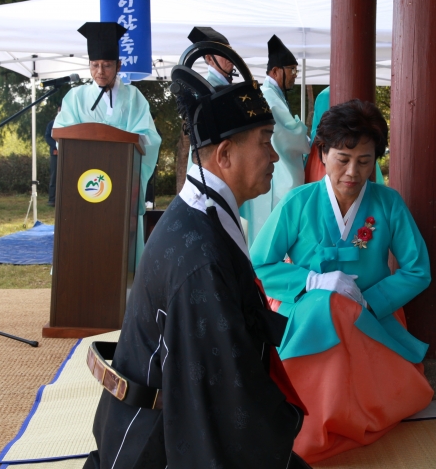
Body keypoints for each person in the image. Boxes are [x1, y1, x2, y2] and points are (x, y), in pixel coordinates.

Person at [83, 46, 311, 469]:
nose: (276, 157)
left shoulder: (198, 214)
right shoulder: (200, 258)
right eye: (265, 143)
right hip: (156, 446)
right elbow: (219, 402)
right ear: (224, 156)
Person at [251, 99, 434, 463]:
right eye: (342, 159)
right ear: (322, 153)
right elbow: (258, 265)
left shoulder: (388, 203)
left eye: (365, 161)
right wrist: (315, 282)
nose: (352, 171)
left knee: (337, 308)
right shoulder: (298, 201)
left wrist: (367, 301)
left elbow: (418, 270)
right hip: (305, 315)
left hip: (371, 317)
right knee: (325, 303)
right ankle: (310, 423)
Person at [54, 22, 161, 262]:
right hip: (85, 185)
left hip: (120, 186)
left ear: (118, 66)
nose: (100, 71)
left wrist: (123, 143)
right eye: (95, 65)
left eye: (107, 65)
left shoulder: (134, 98)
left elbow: (149, 138)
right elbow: (63, 135)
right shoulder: (76, 97)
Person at [240, 34, 310, 246]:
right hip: (276, 175)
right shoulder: (269, 96)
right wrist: (305, 133)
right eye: (291, 70)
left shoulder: (273, 94)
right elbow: (289, 135)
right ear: (275, 71)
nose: (294, 76)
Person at [44, 106, 60, 207]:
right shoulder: (52, 124)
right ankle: (52, 199)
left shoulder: (70, 123)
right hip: (55, 153)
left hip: (68, 153)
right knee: (54, 175)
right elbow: (47, 137)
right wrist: (56, 146)